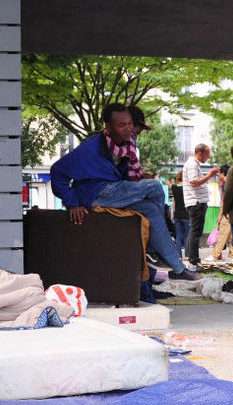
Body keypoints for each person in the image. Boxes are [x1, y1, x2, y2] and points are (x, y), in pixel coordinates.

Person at [49, 103, 200, 280]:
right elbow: (57, 171)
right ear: (108, 127)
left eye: (129, 123)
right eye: (122, 125)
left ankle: (178, 269)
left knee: (151, 209)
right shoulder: (89, 148)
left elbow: (125, 176)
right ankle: (153, 247)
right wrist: (72, 203)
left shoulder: (129, 143)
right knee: (155, 186)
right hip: (94, 194)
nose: (128, 128)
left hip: (115, 191)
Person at [182, 144, 220, 267]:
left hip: (197, 202)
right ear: (200, 153)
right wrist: (209, 175)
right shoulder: (192, 164)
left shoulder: (193, 164)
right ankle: (193, 260)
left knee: (195, 231)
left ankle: (193, 258)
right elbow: (193, 183)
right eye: (207, 155)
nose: (207, 158)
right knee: (195, 232)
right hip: (196, 202)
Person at [205, 165, 233, 262]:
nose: (218, 175)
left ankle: (214, 255)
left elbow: (223, 201)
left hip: (227, 213)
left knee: (222, 234)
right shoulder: (232, 183)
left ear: (223, 173)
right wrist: (219, 189)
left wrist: (220, 215)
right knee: (230, 235)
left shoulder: (225, 184)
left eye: (219, 173)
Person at [170, 171, 190, 260]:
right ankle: (187, 255)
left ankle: (179, 256)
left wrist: (173, 213)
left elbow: (173, 203)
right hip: (186, 215)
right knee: (188, 236)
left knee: (178, 236)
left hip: (177, 215)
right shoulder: (187, 188)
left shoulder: (174, 188)